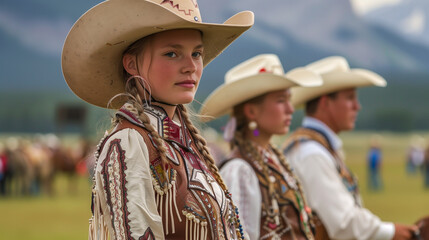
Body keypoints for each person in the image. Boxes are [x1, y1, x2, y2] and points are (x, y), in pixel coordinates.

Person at [61, 0, 254, 239]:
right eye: (172, 53)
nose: (190, 66)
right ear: (131, 64)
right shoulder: (129, 143)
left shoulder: (187, 145)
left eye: (196, 53)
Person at [283, 56, 418, 240]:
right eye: (349, 98)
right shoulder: (311, 153)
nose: (357, 106)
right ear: (325, 103)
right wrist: (391, 232)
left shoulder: (314, 147)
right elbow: (342, 223)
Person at [200, 54, 323, 239]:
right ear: (251, 111)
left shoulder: (271, 159)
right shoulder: (240, 170)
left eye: (289, 100)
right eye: (281, 100)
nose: (290, 109)